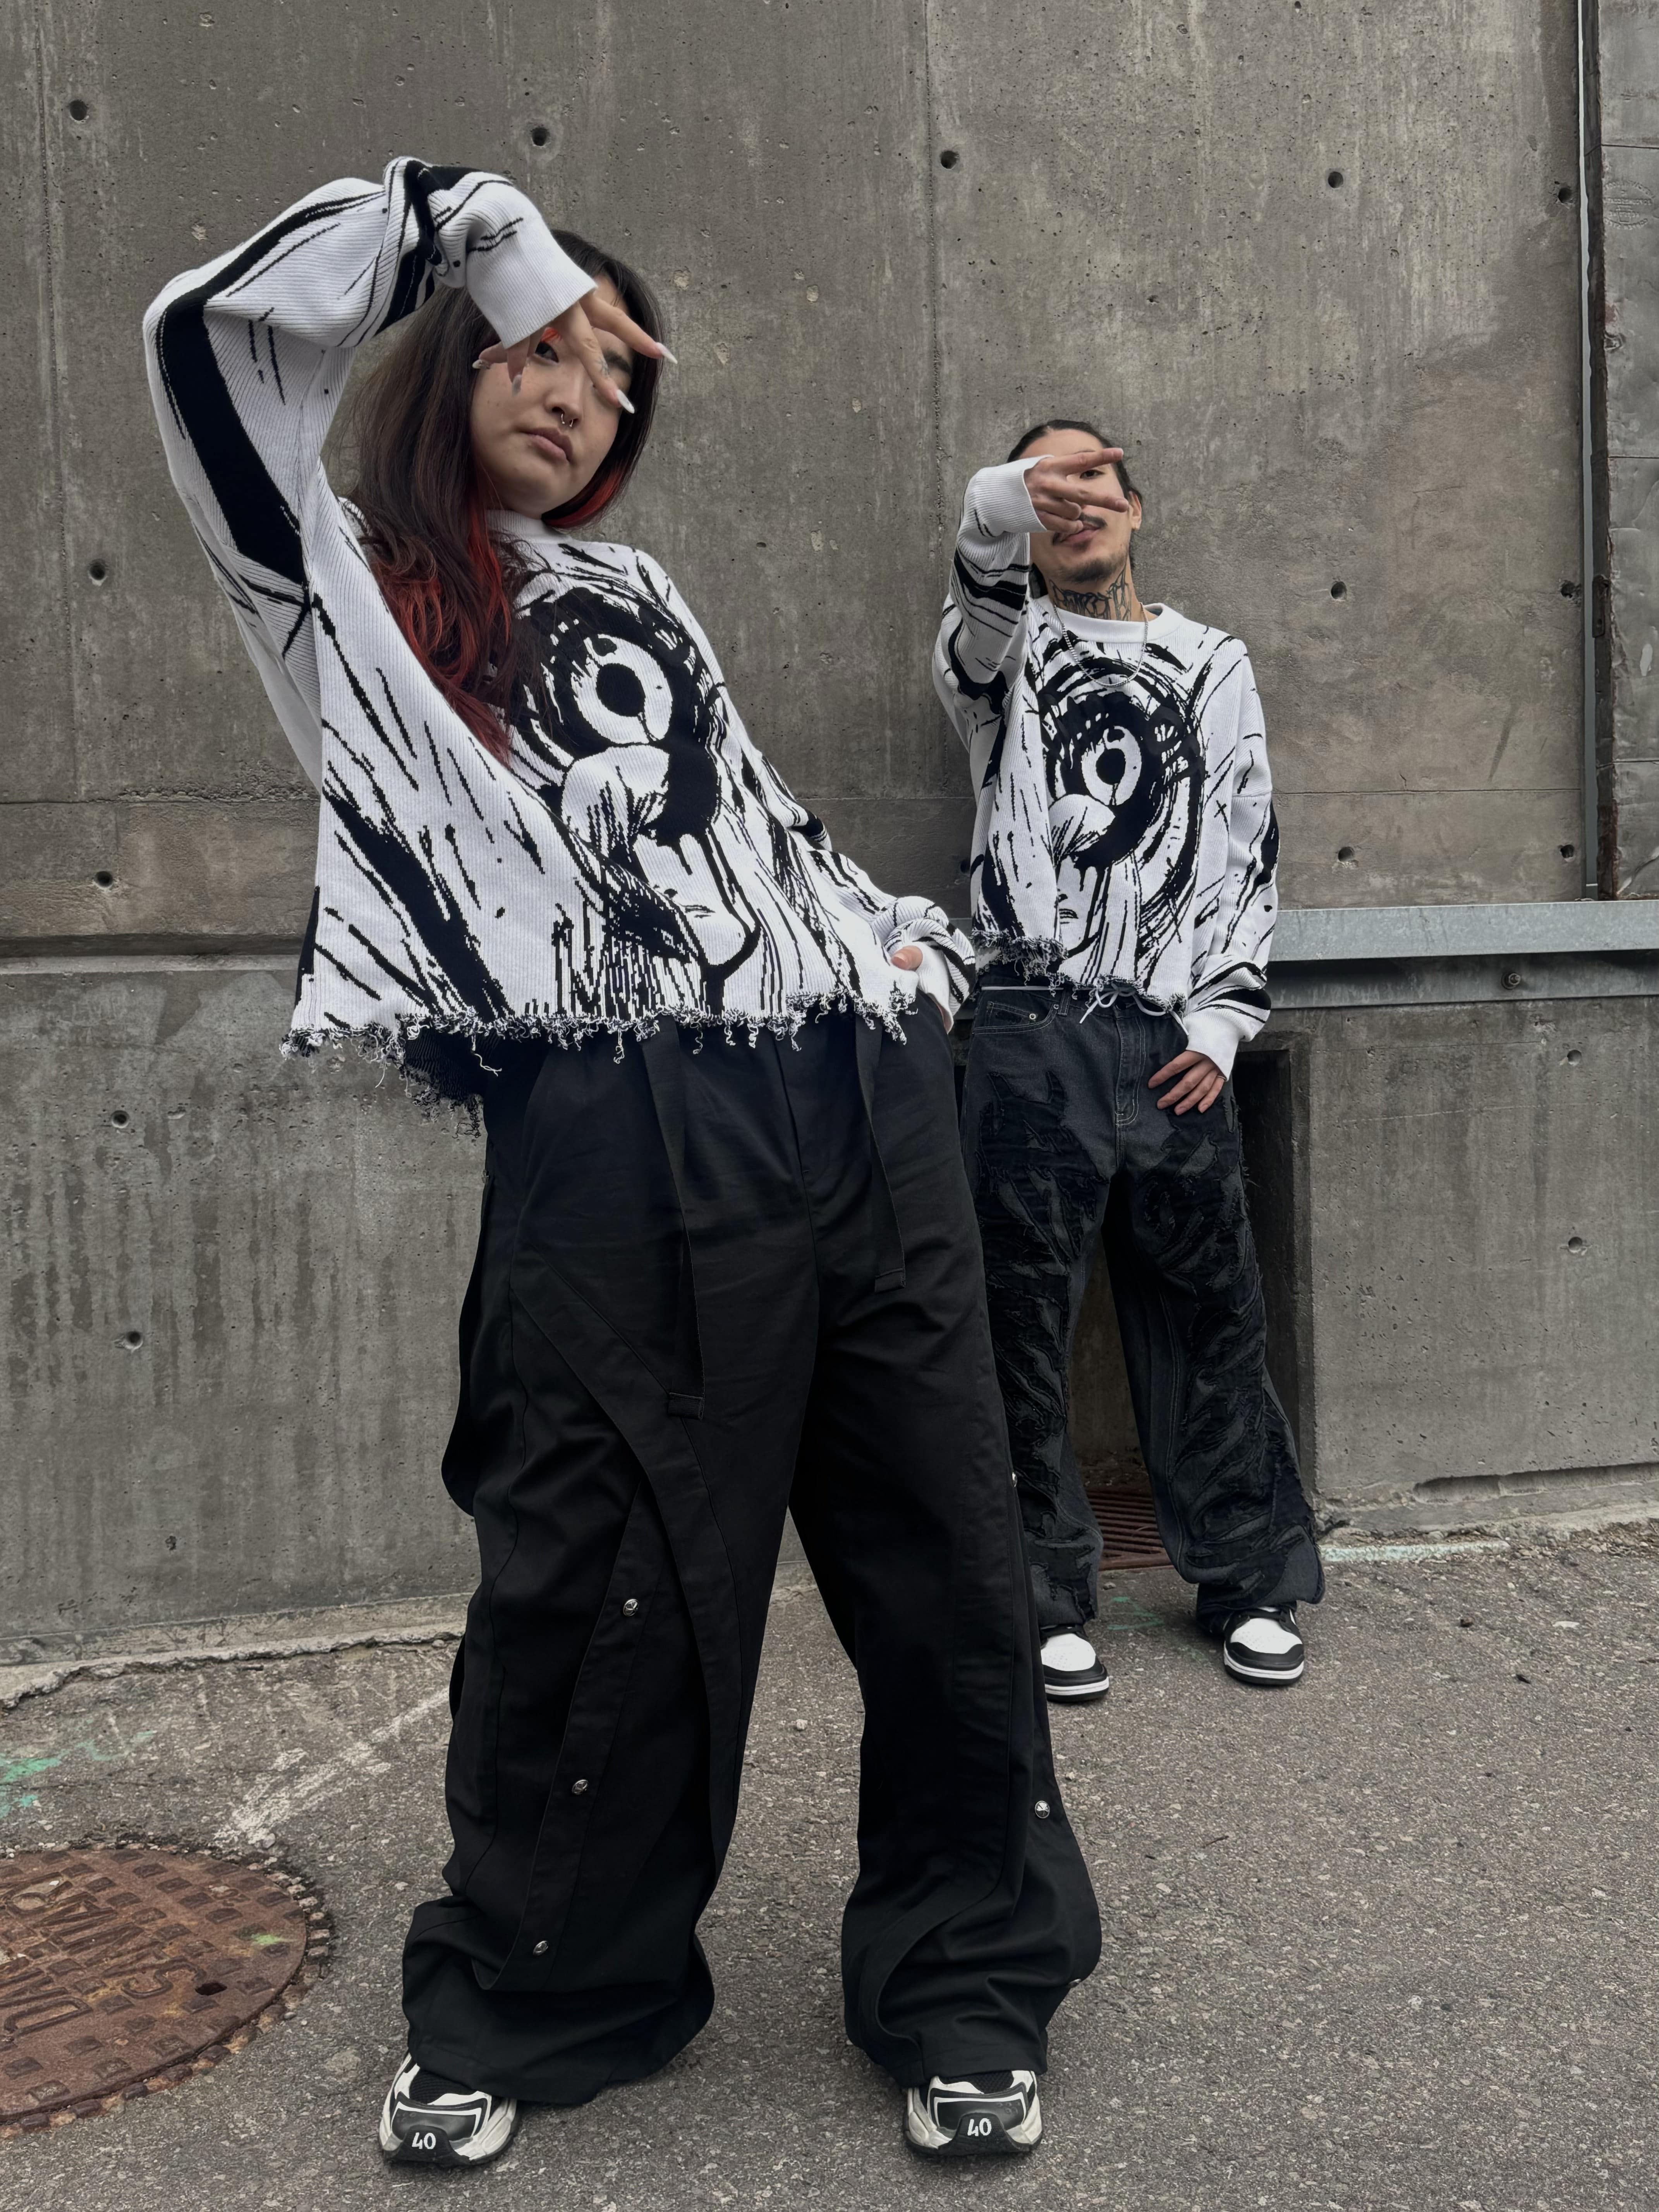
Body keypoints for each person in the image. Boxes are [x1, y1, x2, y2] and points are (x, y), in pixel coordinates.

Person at [143, 160, 1099, 2166]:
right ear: (452, 351)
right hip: (615, 1125)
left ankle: (966, 1976)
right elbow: (205, 350)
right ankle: (535, 1992)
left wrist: (895, 947)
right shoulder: (341, 583)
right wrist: (492, 234)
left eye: (610, 375)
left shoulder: (639, 592)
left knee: (945, 1549)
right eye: (541, 352)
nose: (580, 395)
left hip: (856, 1093)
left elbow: (743, 829)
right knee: (600, 1571)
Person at [934, 421, 1324, 1702]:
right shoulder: (997, 652)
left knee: (1210, 1318)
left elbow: (1246, 846)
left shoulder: (1212, 661)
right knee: (1015, 1326)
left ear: (1136, 505)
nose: (1072, 500)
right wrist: (1001, 505)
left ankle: (1248, 1583)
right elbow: (980, 589)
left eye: (1092, 477)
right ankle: (1039, 1597)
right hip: (1028, 1025)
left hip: (1172, 1038)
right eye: (1044, 485)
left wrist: (1220, 1025)